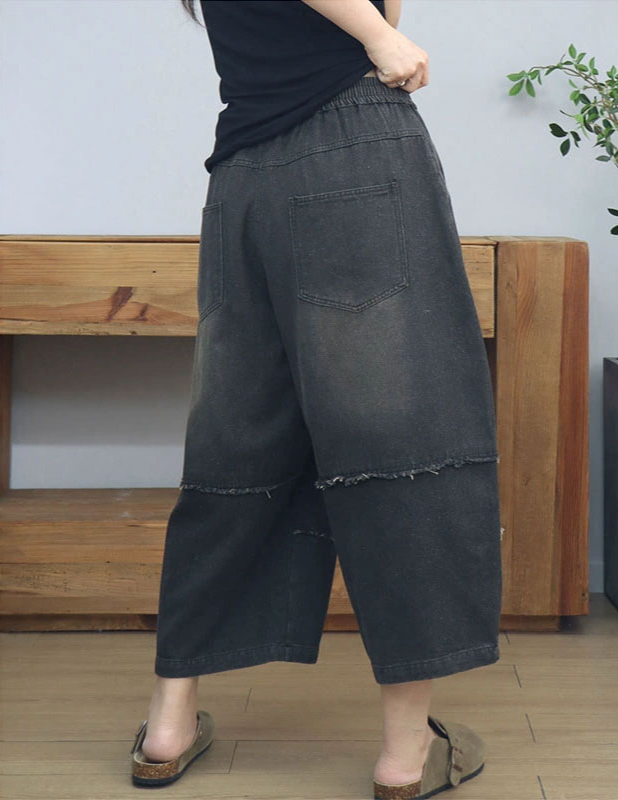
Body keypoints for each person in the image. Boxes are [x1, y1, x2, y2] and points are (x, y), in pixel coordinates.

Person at [129, 1, 503, 797]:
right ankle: (406, 754)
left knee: (236, 440)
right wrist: (379, 34)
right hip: (352, 149)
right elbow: (379, 20)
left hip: (243, 177)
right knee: (402, 441)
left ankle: (168, 722)